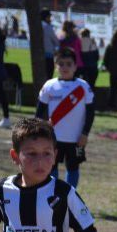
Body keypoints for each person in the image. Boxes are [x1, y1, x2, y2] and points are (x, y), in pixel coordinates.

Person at [35, 48, 95, 189]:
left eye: (69, 64)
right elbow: (39, 113)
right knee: (51, 165)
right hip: (53, 138)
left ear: (75, 66)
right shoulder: (49, 86)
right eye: (61, 64)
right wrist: (41, 131)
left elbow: (91, 113)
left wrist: (85, 134)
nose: (65, 67)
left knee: (73, 167)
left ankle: (70, 197)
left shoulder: (83, 87)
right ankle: (53, 195)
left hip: (76, 139)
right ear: (56, 66)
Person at [40, 9, 59, 78]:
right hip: (48, 55)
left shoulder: (37, 26)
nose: (50, 19)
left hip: (39, 55)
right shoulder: (47, 27)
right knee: (49, 75)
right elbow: (55, 40)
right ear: (46, 17)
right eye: (49, 17)